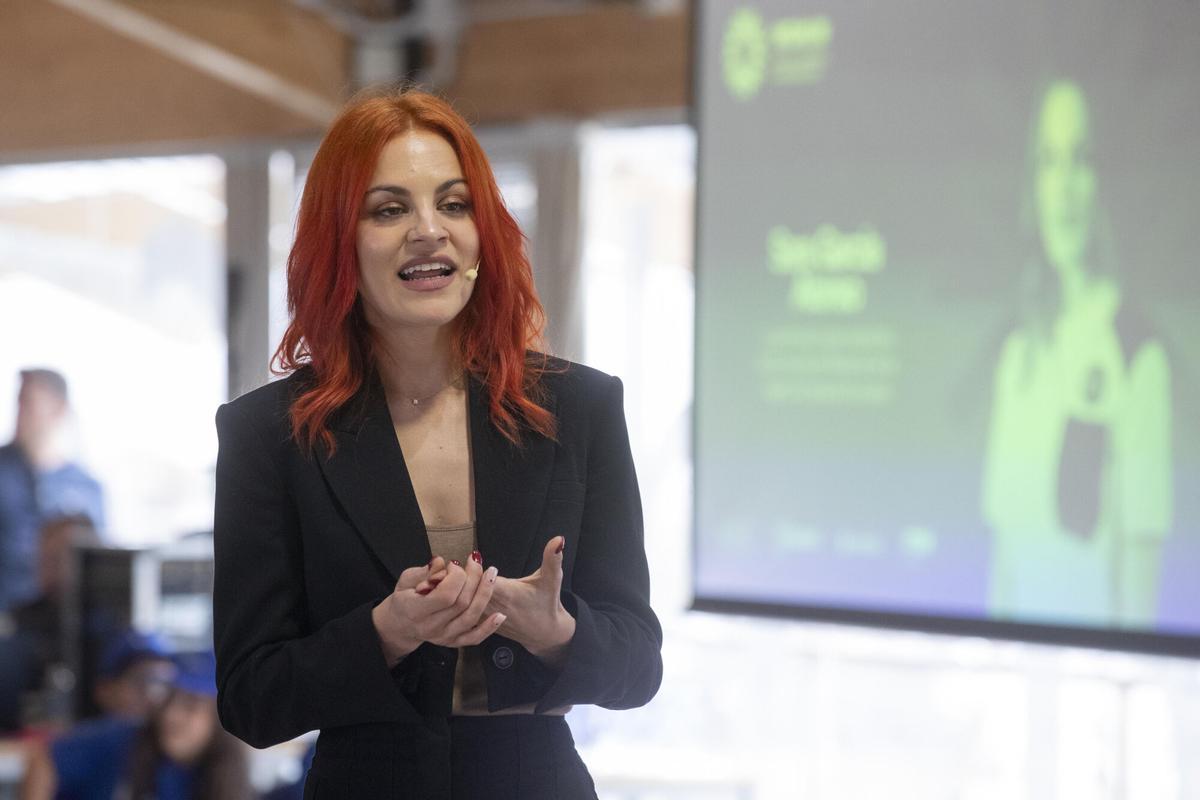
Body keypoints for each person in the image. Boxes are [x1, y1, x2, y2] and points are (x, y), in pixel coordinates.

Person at [211, 85, 662, 798]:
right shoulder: (268, 434)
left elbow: (639, 668)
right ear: (339, 242)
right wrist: (386, 631)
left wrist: (555, 629)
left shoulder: (581, 408)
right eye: (389, 210)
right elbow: (250, 699)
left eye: (454, 204)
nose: (430, 230)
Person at [982, 80, 1173, 628]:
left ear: (1106, 179)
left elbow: (1139, 598)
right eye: (1048, 161)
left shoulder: (1137, 356)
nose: (1064, 186)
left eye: (1081, 159)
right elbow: (1004, 567)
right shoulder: (1017, 355)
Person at [20, 649, 253, 800]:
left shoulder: (228, 775)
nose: (171, 715)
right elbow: (45, 758)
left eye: (190, 707)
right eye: (167, 700)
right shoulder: (124, 739)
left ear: (219, 719)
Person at [0, 369, 106, 611]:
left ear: (59, 409)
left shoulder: (86, 487)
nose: (20, 412)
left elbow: (99, 564)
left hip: (66, 621)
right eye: (18, 402)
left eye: (29, 403)